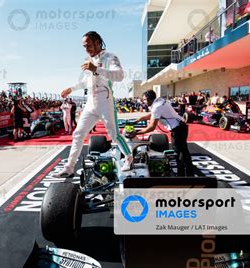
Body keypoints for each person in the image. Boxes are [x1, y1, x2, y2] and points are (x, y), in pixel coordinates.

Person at [54, 31, 132, 177]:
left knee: (114, 134)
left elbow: (120, 75)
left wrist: (96, 68)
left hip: (105, 100)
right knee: (78, 134)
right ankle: (69, 167)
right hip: (90, 102)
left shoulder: (110, 57)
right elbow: (86, 81)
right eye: (84, 46)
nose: (86, 49)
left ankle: (129, 158)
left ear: (97, 42)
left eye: (88, 45)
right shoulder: (89, 61)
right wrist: (71, 88)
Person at [133, 90, 194, 177]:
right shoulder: (159, 101)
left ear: (150, 99)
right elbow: (151, 115)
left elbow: (152, 127)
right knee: (184, 151)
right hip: (181, 126)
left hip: (178, 129)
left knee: (178, 153)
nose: (143, 102)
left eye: (145, 100)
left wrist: (136, 133)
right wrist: (138, 120)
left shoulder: (156, 107)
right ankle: (189, 173)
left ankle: (182, 176)